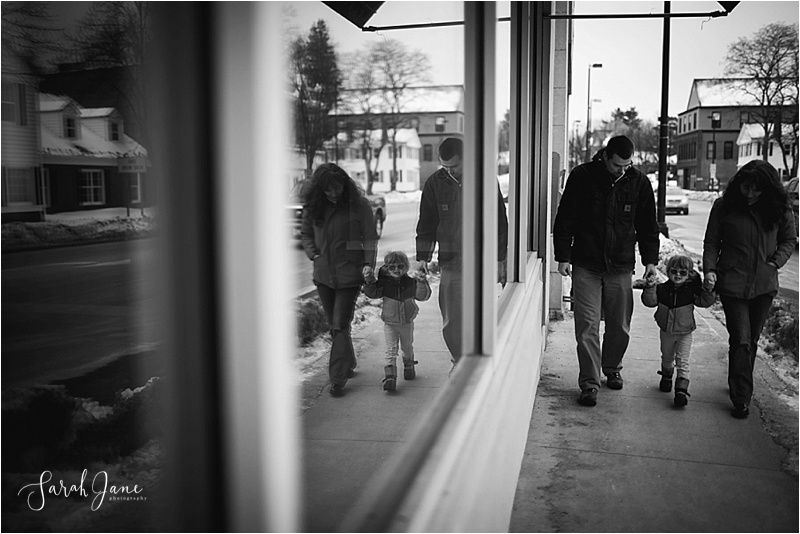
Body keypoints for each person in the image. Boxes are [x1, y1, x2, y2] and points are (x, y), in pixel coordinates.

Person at [553, 135, 660, 407]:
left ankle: (612, 367)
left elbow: (648, 226)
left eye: (627, 165)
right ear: (605, 157)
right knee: (586, 325)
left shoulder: (639, 182)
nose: (622, 170)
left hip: (621, 265)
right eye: (617, 165)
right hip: (586, 264)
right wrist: (563, 256)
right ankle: (589, 383)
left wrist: (650, 261)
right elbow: (565, 218)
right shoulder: (582, 176)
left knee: (619, 325)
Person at [702, 160, 796, 419]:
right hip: (732, 281)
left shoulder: (779, 209)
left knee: (751, 340)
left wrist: (775, 262)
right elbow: (712, 242)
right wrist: (709, 269)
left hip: (763, 284)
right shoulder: (724, 207)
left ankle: (738, 379)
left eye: (756, 189)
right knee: (741, 338)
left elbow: (789, 239)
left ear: (767, 189)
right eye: (746, 187)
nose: (750, 193)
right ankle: (741, 397)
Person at [415, 137, 509, 365]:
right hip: (451, 261)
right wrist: (422, 258)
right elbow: (427, 223)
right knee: (452, 319)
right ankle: (460, 363)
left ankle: (482, 360)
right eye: (444, 166)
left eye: (454, 166)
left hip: (481, 261)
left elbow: (499, 221)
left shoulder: (485, 179)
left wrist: (499, 259)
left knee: (480, 315)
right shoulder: (434, 183)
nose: (449, 171)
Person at [301, 163, 378, 397]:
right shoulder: (314, 208)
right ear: (320, 190)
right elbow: (305, 233)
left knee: (339, 324)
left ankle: (337, 378)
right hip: (323, 276)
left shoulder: (359, 206)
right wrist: (313, 253)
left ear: (345, 185)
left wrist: (367, 265)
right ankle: (349, 361)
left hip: (349, 275)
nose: (334, 193)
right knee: (337, 327)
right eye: (328, 190)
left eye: (338, 188)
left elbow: (370, 238)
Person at [641, 254, 716, 407]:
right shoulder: (661, 289)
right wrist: (650, 287)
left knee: (683, 361)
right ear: (668, 272)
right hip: (666, 331)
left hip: (685, 333)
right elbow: (649, 302)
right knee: (667, 357)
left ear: (689, 275)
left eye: (683, 273)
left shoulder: (691, 292)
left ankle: (681, 391)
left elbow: (704, 302)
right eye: (674, 271)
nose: (678, 275)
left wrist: (708, 289)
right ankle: (667, 376)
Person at [363, 250, 432, 392]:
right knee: (390, 349)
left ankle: (409, 366)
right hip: (390, 323)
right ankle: (390, 378)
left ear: (406, 267)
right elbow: (372, 293)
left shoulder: (411, 282)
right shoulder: (384, 284)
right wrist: (369, 281)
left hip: (406, 322)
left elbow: (423, 296)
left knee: (407, 347)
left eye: (400, 266)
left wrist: (421, 282)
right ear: (386, 268)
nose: (396, 270)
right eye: (392, 267)